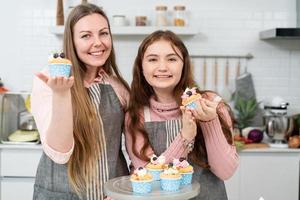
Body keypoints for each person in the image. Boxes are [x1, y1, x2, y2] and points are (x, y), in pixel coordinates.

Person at [31, 3, 130, 200]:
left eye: (103, 33)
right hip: (60, 194)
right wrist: (61, 95)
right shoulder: (48, 81)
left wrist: (128, 189)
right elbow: (60, 152)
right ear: (72, 41)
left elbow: (137, 145)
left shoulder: (118, 86)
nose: (98, 43)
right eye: (86, 36)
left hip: (111, 195)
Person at [125, 30, 239, 199]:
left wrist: (209, 121)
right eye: (153, 59)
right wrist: (185, 137)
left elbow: (225, 171)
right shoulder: (136, 116)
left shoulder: (211, 103)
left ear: (184, 65)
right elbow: (149, 180)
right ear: (141, 67)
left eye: (172, 59)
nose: (162, 67)